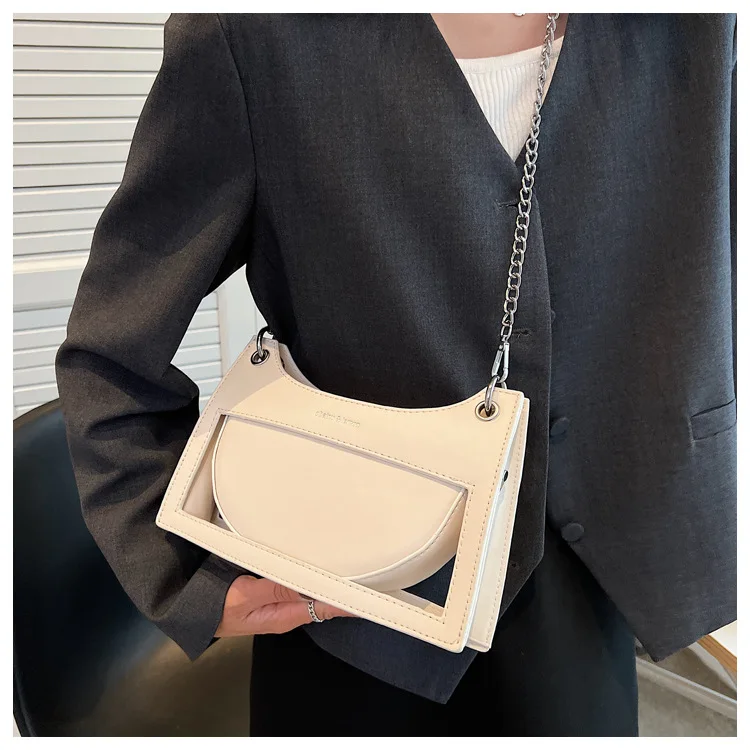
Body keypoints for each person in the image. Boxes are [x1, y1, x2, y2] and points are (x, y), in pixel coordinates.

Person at [55, 12, 737, 737]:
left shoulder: (697, 27)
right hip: (339, 584)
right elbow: (111, 345)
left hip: (589, 569)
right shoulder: (254, 33)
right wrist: (179, 565)